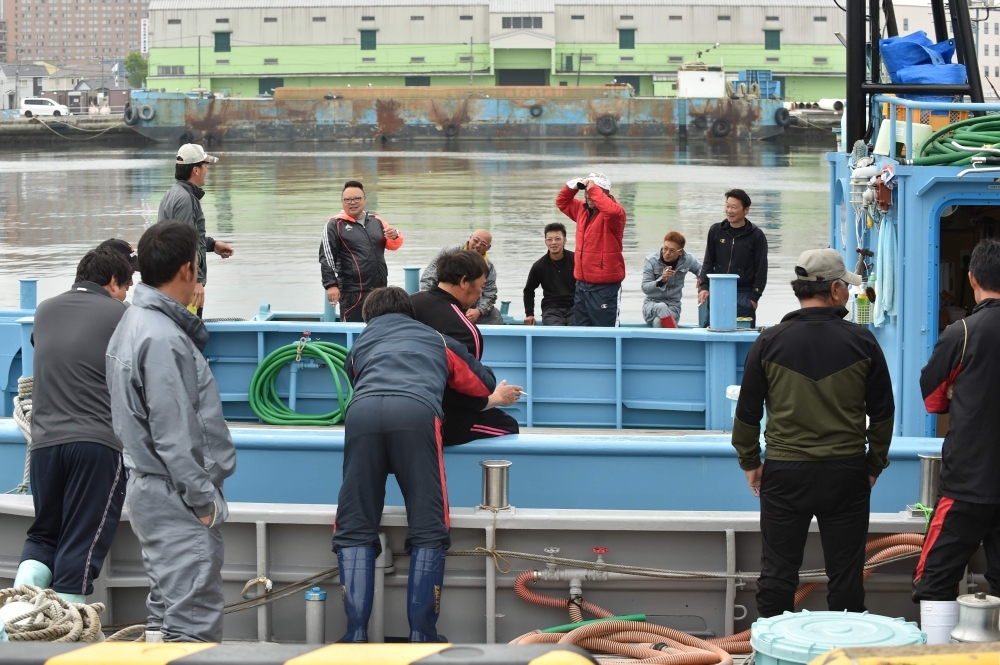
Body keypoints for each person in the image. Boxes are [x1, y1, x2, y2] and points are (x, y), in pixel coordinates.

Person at [332, 287, 522, 643]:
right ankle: (422, 633)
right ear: (410, 313)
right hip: (417, 416)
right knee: (428, 523)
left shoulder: (361, 343)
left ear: (370, 317)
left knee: (355, 522)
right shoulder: (437, 339)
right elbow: (482, 384)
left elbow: (357, 379)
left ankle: (355, 633)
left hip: (361, 416)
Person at [732, 248, 894, 618]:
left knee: (777, 573)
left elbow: (746, 414)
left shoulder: (769, 341)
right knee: (847, 575)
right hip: (846, 473)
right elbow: (883, 414)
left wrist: (750, 461)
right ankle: (843, 652)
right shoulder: (863, 342)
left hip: (785, 474)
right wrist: (873, 464)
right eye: (846, 289)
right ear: (836, 289)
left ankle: (770, 652)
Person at [106, 221, 236, 643]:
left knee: (165, 613)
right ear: (187, 269)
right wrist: (200, 500)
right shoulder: (163, 339)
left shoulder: (133, 323)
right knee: (191, 627)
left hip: (149, 487)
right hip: (175, 494)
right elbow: (173, 432)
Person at [12, 247, 133, 603]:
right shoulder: (121, 313)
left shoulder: (44, 310)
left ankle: (14, 618)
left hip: (45, 444)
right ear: (112, 282)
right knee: (82, 542)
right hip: (96, 445)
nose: (127, 294)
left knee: (43, 536)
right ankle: (66, 636)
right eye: (126, 286)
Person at [914, 238, 1000, 601]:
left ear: (971, 279)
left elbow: (932, 400)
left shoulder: (961, 334)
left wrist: (956, 392)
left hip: (968, 482)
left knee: (932, 582)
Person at [411, 251, 521, 445]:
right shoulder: (464, 330)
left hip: (394, 405)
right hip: (437, 420)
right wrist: (498, 397)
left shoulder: (410, 302)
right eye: (481, 286)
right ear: (464, 281)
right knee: (509, 425)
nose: (480, 293)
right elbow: (466, 398)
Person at [157, 143, 235, 318]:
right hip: (184, 285)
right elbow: (184, 244)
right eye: (205, 165)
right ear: (196, 170)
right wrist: (196, 281)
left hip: (172, 283)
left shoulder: (171, 195)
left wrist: (212, 245)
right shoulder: (186, 199)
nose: (207, 169)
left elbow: (178, 238)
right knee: (187, 336)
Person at [320, 180, 404, 323]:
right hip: (352, 292)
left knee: (379, 329)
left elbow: (393, 245)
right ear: (342, 201)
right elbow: (326, 258)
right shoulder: (334, 225)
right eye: (348, 199)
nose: (352, 202)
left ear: (364, 199)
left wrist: (395, 235)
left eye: (357, 198)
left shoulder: (376, 221)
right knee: (354, 333)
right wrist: (331, 285)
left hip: (379, 290)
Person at [556, 172, 627, 327]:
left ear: (606, 193)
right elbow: (562, 202)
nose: (588, 196)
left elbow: (612, 211)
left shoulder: (616, 214)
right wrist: (573, 185)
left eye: (592, 191)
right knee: (582, 333)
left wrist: (593, 188)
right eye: (586, 192)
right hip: (582, 286)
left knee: (607, 333)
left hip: (605, 288)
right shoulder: (582, 210)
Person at [697, 189, 768, 326]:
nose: (729, 210)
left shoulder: (756, 236)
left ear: (746, 210)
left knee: (742, 332)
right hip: (717, 291)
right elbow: (708, 262)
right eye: (727, 206)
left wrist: (754, 297)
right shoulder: (715, 231)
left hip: (744, 294)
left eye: (734, 207)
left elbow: (761, 269)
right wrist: (704, 287)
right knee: (711, 328)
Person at [420, 230, 502, 325]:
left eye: (483, 244)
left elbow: (490, 293)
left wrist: (478, 311)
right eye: (476, 240)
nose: (478, 245)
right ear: (470, 237)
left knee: (495, 316)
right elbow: (429, 277)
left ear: (488, 248)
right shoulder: (450, 253)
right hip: (444, 301)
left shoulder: (489, 267)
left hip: (470, 308)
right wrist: (430, 300)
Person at [641, 231, 702, 328]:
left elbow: (701, 269)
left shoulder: (688, 259)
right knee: (661, 306)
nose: (667, 253)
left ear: (680, 251)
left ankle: (664, 340)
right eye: (665, 248)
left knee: (658, 322)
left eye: (672, 250)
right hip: (651, 306)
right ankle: (676, 337)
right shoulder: (651, 261)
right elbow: (645, 288)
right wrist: (662, 279)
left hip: (673, 307)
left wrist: (700, 278)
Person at [523, 222, 576, 326]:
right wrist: (529, 314)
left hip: (575, 306)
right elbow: (529, 290)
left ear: (564, 240)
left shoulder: (576, 260)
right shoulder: (539, 266)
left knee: (576, 327)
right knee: (556, 330)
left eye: (557, 239)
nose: (553, 243)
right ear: (545, 242)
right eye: (549, 239)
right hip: (551, 308)